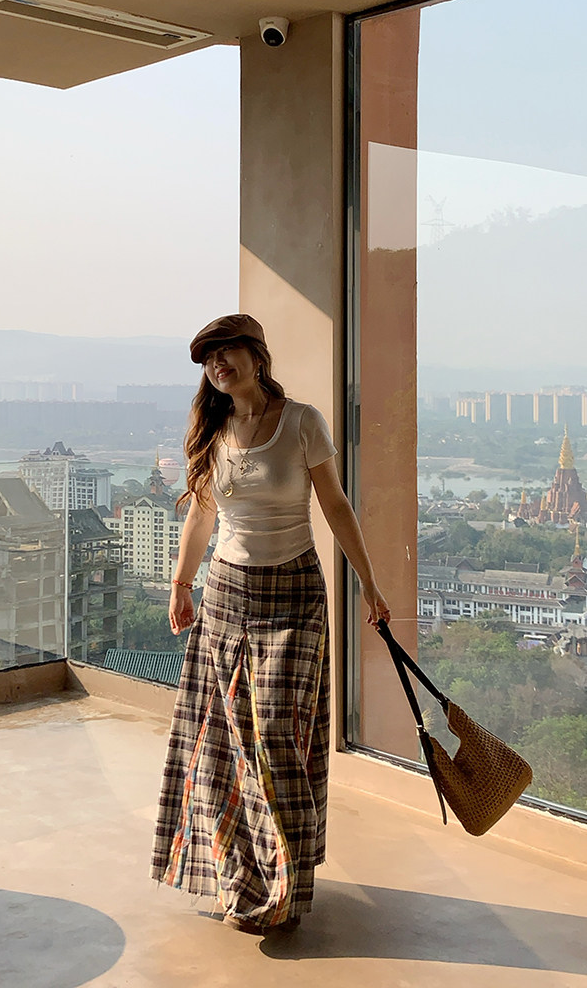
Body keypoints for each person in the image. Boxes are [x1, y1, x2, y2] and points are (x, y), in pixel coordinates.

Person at [149, 314, 390, 935]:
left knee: (279, 731)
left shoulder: (303, 421)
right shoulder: (212, 429)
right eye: (209, 359)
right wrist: (181, 585)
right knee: (225, 742)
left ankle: (287, 878)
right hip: (225, 592)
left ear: (257, 356)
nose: (218, 365)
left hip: (295, 592)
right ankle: (243, 878)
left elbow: (335, 505)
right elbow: (202, 516)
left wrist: (368, 583)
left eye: (227, 351)